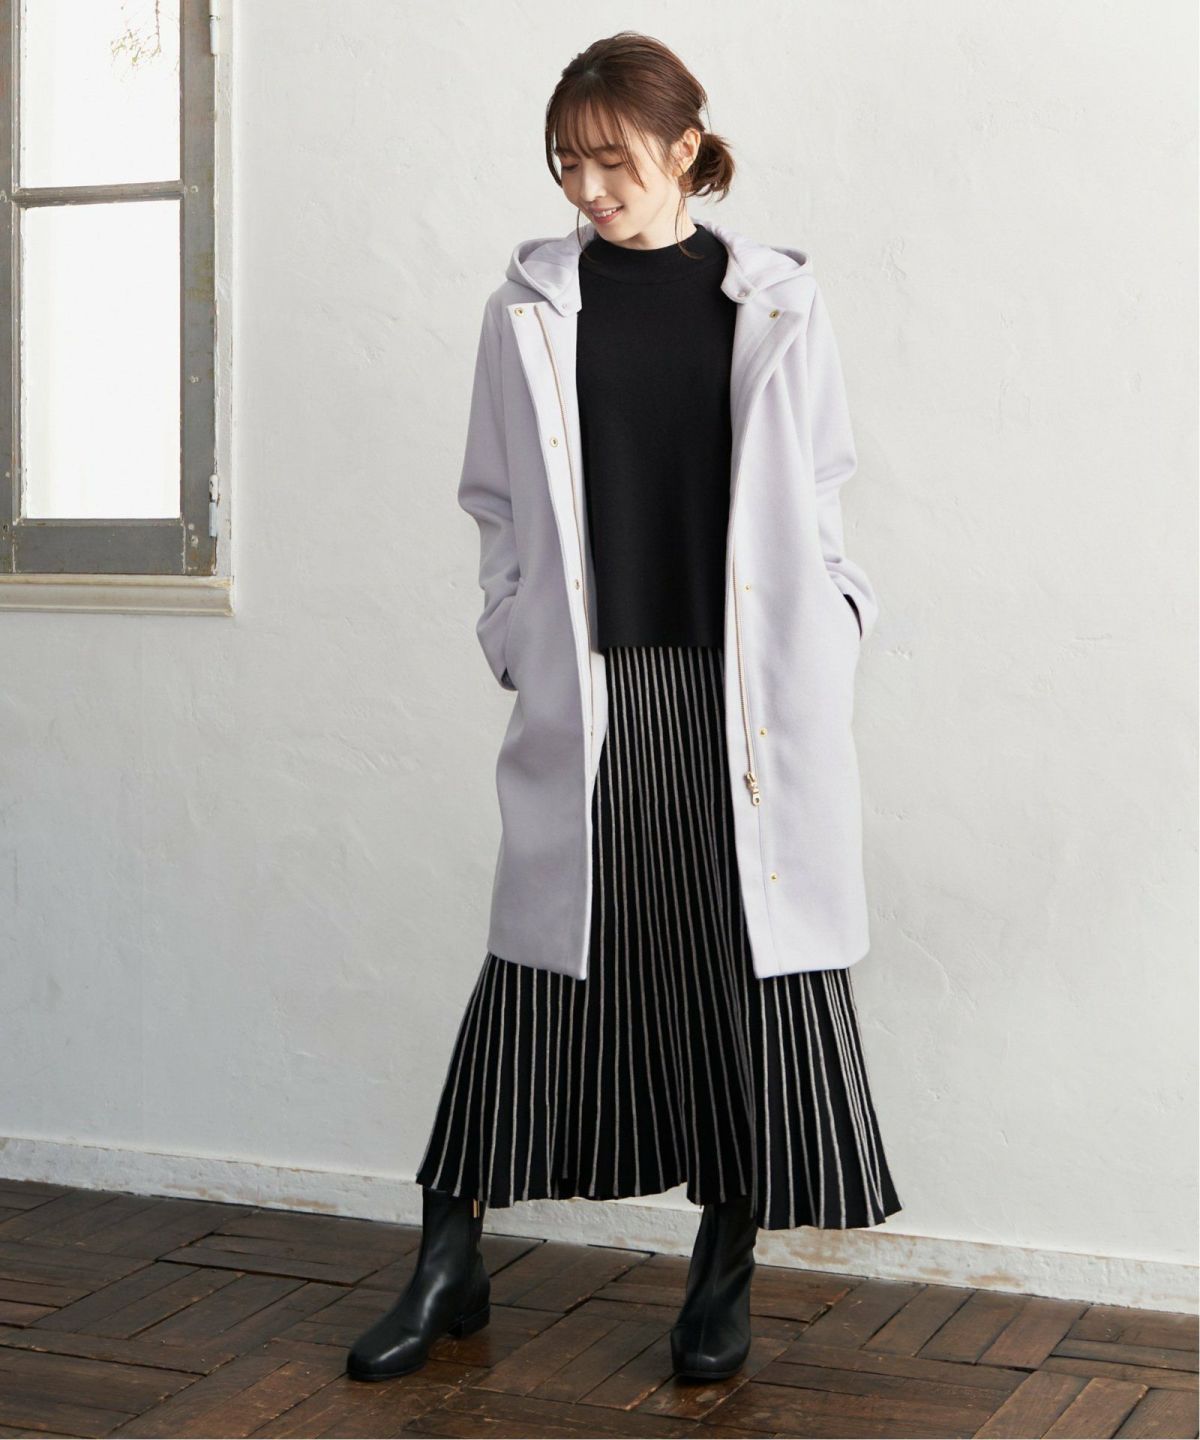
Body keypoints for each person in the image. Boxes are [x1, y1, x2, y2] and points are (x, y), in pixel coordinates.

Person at [348, 30, 902, 1387]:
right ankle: (447, 1257)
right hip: (595, 684)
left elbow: (822, 488)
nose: (586, 188)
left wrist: (835, 624)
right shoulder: (529, 309)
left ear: (684, 149)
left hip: (744, 693)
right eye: (566, 163)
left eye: (610, 160)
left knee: (744, 970)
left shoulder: (775, 302)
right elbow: (493, 501)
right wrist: (514, 638)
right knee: (543, 970)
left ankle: (723, 1268)